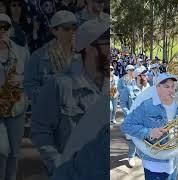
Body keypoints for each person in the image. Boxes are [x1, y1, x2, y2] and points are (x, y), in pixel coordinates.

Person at [30, 18, 108, 177]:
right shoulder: (59, 85)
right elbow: (40, 129)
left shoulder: (111, 86)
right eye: (106, 44)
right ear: (89, 48)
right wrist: (58, 165)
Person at [121, 73, 178, 180]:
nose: (171, 90)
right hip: (154, 163)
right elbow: (126, 125)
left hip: (174, 160)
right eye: (167, 87)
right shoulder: (147, 105)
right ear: (157, 88)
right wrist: (148, 132)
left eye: (172, 86)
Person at [24, 10, 80, 106]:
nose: (72, 32)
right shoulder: (39, 56)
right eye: (66, 28)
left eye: (74, 27)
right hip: (51, 113)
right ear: (54, 31)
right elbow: (30, 87)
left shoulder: (82, 53)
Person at [0, 14, 30, 180]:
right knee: (1, 151)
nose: (1, 31)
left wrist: (21, 79)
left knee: (14, 153)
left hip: (16, 109)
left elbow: (32, 78)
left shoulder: (21, 52)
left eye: (5, 27)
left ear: (10, 29)